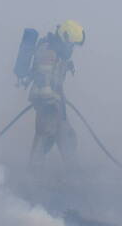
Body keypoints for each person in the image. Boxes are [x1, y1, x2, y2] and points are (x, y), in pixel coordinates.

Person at [27, 20, 84, 165]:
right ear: (64, 38)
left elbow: (56, 78)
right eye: (71, 44)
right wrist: (53, 97)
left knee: (67, 137)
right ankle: (32, 174)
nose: (71, 48)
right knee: (45, 136)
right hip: (46, 105)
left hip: (57, 104)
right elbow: (44, 81)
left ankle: (73, 171)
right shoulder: (48, 52)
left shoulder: (58, 53)